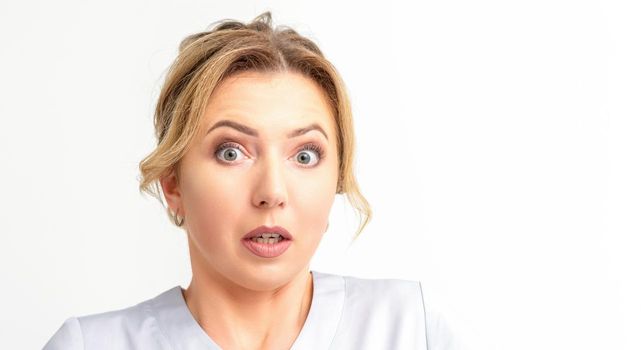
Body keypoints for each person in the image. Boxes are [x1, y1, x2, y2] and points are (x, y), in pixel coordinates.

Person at [43, 11, 462, 350]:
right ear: (173, 185)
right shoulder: (91, 344)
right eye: (231, 152)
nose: (272, 193)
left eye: (304, 155)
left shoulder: (411, 330)